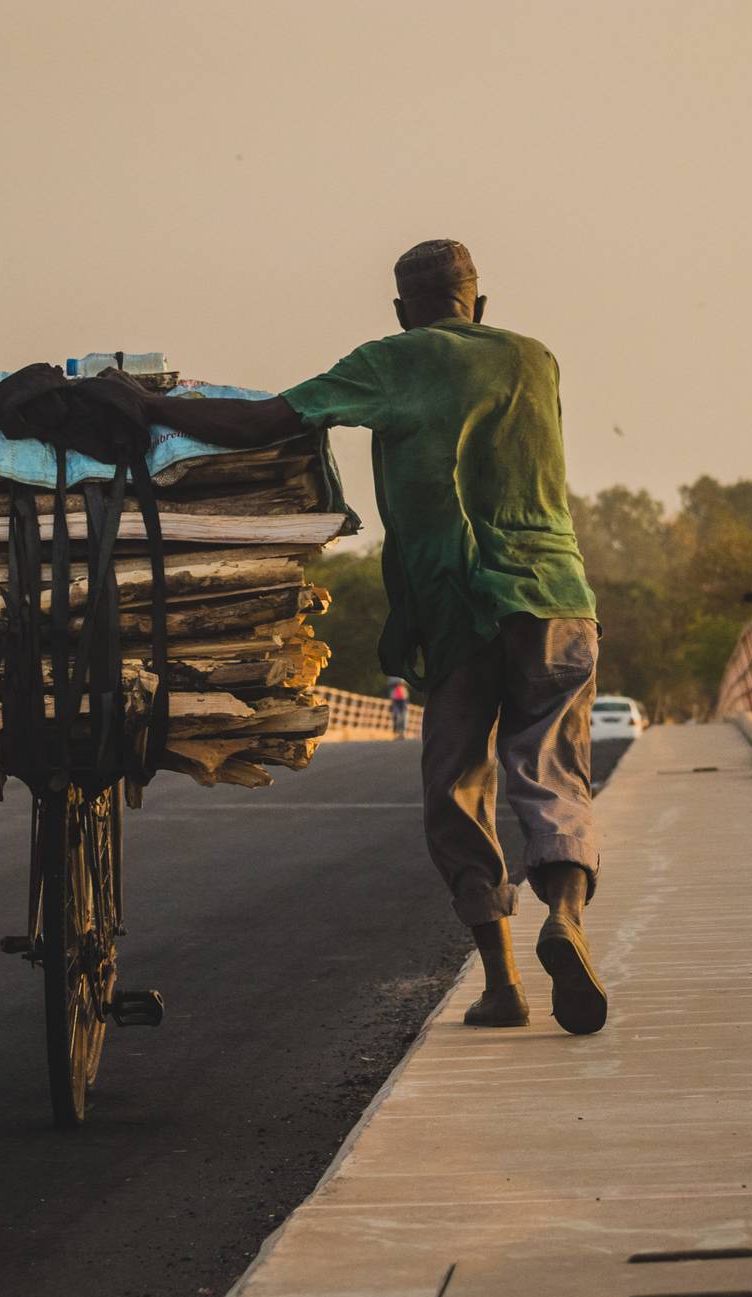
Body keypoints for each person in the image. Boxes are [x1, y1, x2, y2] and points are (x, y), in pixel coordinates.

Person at [137, 240, 605, 1035]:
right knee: (552, 769)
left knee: (457, 786)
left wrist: (149, 407)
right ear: (478, 305)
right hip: (557, 596)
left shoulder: (392, 361)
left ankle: (502, 983)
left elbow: (263, 422)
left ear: (401, 312)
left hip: (456, 603)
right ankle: (565, 915)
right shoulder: (536, 359)